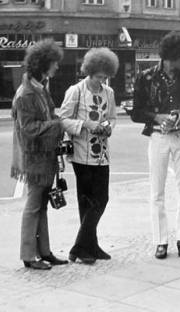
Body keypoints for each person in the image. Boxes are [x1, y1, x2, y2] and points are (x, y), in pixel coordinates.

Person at [131, 31, 180, 259]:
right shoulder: (145, 77)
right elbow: (136, 113)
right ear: (173, 55)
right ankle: (160, 241)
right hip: (158, 136)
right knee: (157, 190)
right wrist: (157, 117)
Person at [11, 39, 68, 270]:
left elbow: (49, 115)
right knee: (34, 206)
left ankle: (44, 251)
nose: (57, 67)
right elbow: (29, 129)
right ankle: (28, 255)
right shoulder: (26, 94)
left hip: (45, 156)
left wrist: (57, 120)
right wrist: (57, 125)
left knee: (42, 206)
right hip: (34, 158)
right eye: (54, 63)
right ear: (43, 64)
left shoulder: (41, 87)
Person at [59, 47, 119, 264]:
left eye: (105, 77)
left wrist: (107, 127)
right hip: (81, 154)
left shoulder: (109, 93)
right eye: (98, 77)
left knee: (102, 199)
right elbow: (63, 119)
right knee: (86, 202)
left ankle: (81, 247)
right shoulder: (75, 90)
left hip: (102, 154)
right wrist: (86, 124)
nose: (101, 81)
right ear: (89, 72)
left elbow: (112, 117)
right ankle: (88, 247)